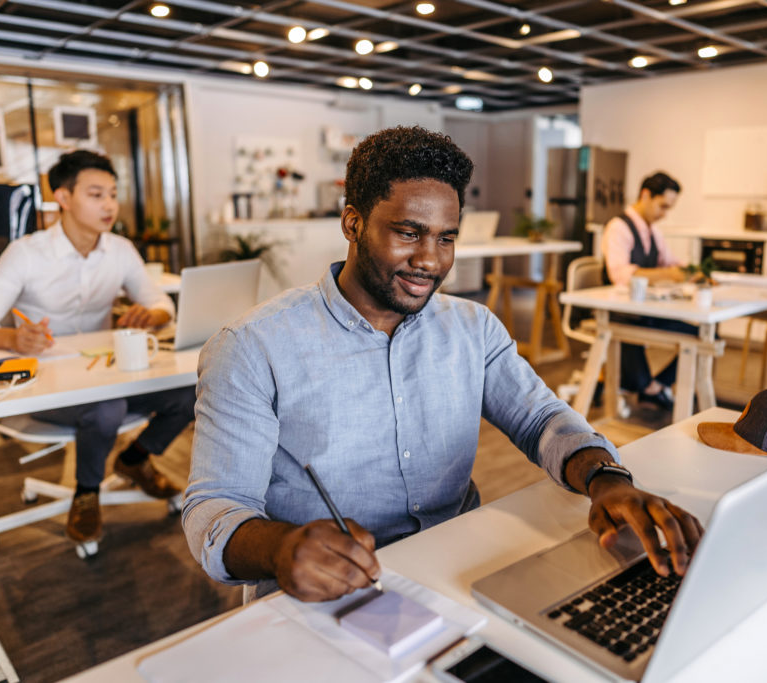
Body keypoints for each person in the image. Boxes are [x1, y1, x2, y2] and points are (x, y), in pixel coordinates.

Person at [184, 127, 702, 603]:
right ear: (353, 223)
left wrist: (606, 477)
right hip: (325, 594)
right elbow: (215, 507)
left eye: (446, 237)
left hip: (459, 570)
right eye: (408, 233)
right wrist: (279, 548)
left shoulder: (472, 328)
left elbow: (541, 419)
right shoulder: (251, 347)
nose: (431, 260)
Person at [0, 150, 195, 545]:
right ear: (63, 198)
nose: (109, 205)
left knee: (193, 387)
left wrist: (148, 316)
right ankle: (87, 493)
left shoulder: (119, 249)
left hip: (108, 372)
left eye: (113, 194)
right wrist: (14, 339)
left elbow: (161, 305)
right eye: (96, 194)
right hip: (47, 383)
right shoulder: (26, 253)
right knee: (108, 407)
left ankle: (134, 459)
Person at [601, 171, 694, 411]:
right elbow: (619, 274)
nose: (664, 214)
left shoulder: (653, 232)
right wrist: (668, 275)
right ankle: (649, 388)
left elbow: (670, 262)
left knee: (702, 334)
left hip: (644, 309)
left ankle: (654, 387)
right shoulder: (618, 228)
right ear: (645, 195)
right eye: (662, 206)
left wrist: (693, 271)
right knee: (637, 378)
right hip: (620, 313)